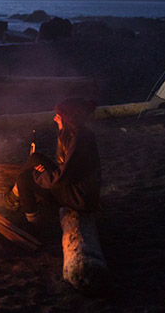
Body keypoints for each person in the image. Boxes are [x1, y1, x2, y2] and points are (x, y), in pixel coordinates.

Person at [14, 97, 101, 229]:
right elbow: (65, 168)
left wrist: (39, 176)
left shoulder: (79, 140)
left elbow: (64, 175)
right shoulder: (77, 133)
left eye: (58, 116)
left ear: (68, 119)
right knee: (36, 158)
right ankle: (14, 194)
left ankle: (32, 224)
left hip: (79, 199)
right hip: (77, 190)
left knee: (25, 178)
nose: (55, 119)